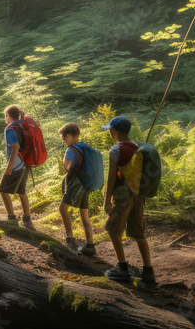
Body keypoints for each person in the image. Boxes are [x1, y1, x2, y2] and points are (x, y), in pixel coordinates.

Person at [102, 116, 154, 284]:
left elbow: (111, 178)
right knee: (139, 232)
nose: (110, 131)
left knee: (113, 229)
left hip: (123, 195)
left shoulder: (115, 150)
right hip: (138, 195)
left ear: (115, 131)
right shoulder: (138, 147)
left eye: (111, 129)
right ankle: (148, 271)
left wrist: (107, 200)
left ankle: (122, 268)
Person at [58, 122, 96, 256]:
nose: (63, 137)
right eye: (62, 135)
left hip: (76, 184)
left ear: (75, 135)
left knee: (62, 208)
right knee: (84, 214)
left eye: (66, 135)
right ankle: (90, 245)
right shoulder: (83, 147)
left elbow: (67, 166)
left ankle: (70, 239)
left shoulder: (71, 149)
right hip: (86, 183)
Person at [0, 105, 34, 229]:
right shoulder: (22, 125)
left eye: (6, 116)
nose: (6, 119)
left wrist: (9, 167)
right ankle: (27, 218)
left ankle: (11, 218)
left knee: (3, 190)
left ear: (9, 116)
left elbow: (15, 147)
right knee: (21, 191)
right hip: (26, 164)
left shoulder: (10, 129)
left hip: (16, 165)